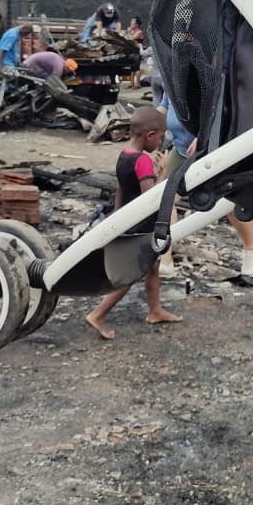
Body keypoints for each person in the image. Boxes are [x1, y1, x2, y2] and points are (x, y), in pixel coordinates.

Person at [84, 106, 182, 340]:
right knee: (131, 274)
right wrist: (164, 171)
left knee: (153, 268)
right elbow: (151, 199)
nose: (160, 142)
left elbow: (120, 187)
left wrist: (116, 217)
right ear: (149, 135)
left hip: (127, 221)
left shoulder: (124, 155)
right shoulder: (142, 162)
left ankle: (155, 310)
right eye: (159, 137)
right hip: (140, 225)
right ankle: (97, 314)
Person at [155, 91, 253, 278]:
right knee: (164, 198)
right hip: (180, 149)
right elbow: (163, 107)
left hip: (209, 148)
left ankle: (251, 247)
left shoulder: (204, 68)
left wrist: (205, 135)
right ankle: (166, 258)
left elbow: (223, 103)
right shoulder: (169, 73)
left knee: (227, 200)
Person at [125, 15, 145, 88]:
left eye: (132, 23)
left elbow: (131, 39)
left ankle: (138, 84)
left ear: (137, 25)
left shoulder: (139, 32)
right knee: (132, 68)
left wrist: (129, 31)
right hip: (131, 51)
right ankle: (132, 83)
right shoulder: (132, 31)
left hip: (137, 52)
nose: (131, 24)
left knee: (137, 68)